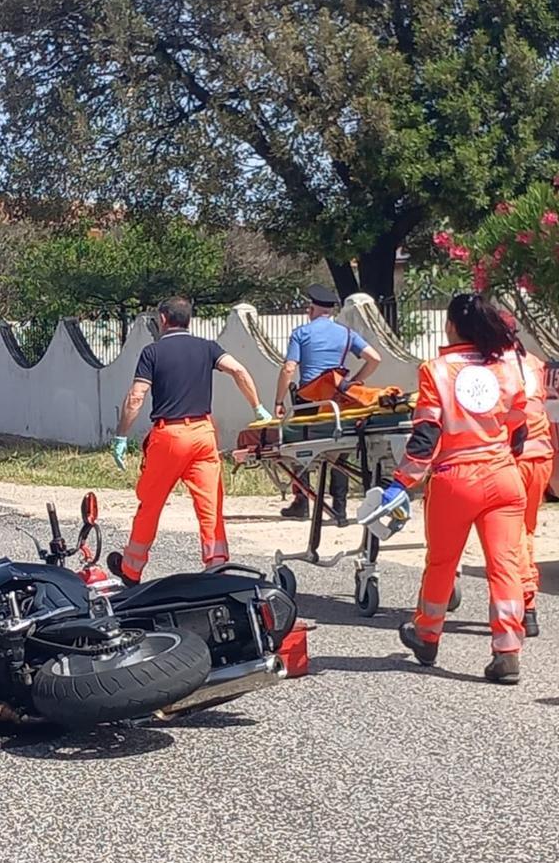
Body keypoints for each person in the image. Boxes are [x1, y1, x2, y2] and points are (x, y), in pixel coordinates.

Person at [376, 293, 528, 684]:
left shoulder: (436, 371)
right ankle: (507, 651)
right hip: (504, 478)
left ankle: (427, 635)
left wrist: (401, 482)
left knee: (443, 563)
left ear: (452, 326)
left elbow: (426, 435)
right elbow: (519, 426)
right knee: (505, 565)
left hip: (456, 481)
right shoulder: (506, 366)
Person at [105, 296, 272, 586]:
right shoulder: (208, 348)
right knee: (210, 506)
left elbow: (136, 397)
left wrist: (121, 435)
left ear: (163, 319)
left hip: (169, 437)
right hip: (203, 434)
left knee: (151, 504)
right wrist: (257, 407)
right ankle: (217, 566)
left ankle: (131, 570)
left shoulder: (152, 352)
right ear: (189, 320)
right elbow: (239, 370)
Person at [272, 284, 382, 522]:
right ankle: (339, 506)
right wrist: (353, 382)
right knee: (340, 451)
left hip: (308, 402)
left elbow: (289, 368)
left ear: (312, 309)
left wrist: (279, 401)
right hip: (337, 400)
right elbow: (375, 358)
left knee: (299, 449)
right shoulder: (347, 334)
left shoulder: (301, 333)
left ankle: (302, 502)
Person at [501, 311, 552, 639]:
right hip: (541, 456)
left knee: (513, 534)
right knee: (527, 529)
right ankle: (526, 602)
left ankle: (526, 603)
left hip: (514, 458)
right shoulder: (533, 362)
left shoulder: (496, 367)